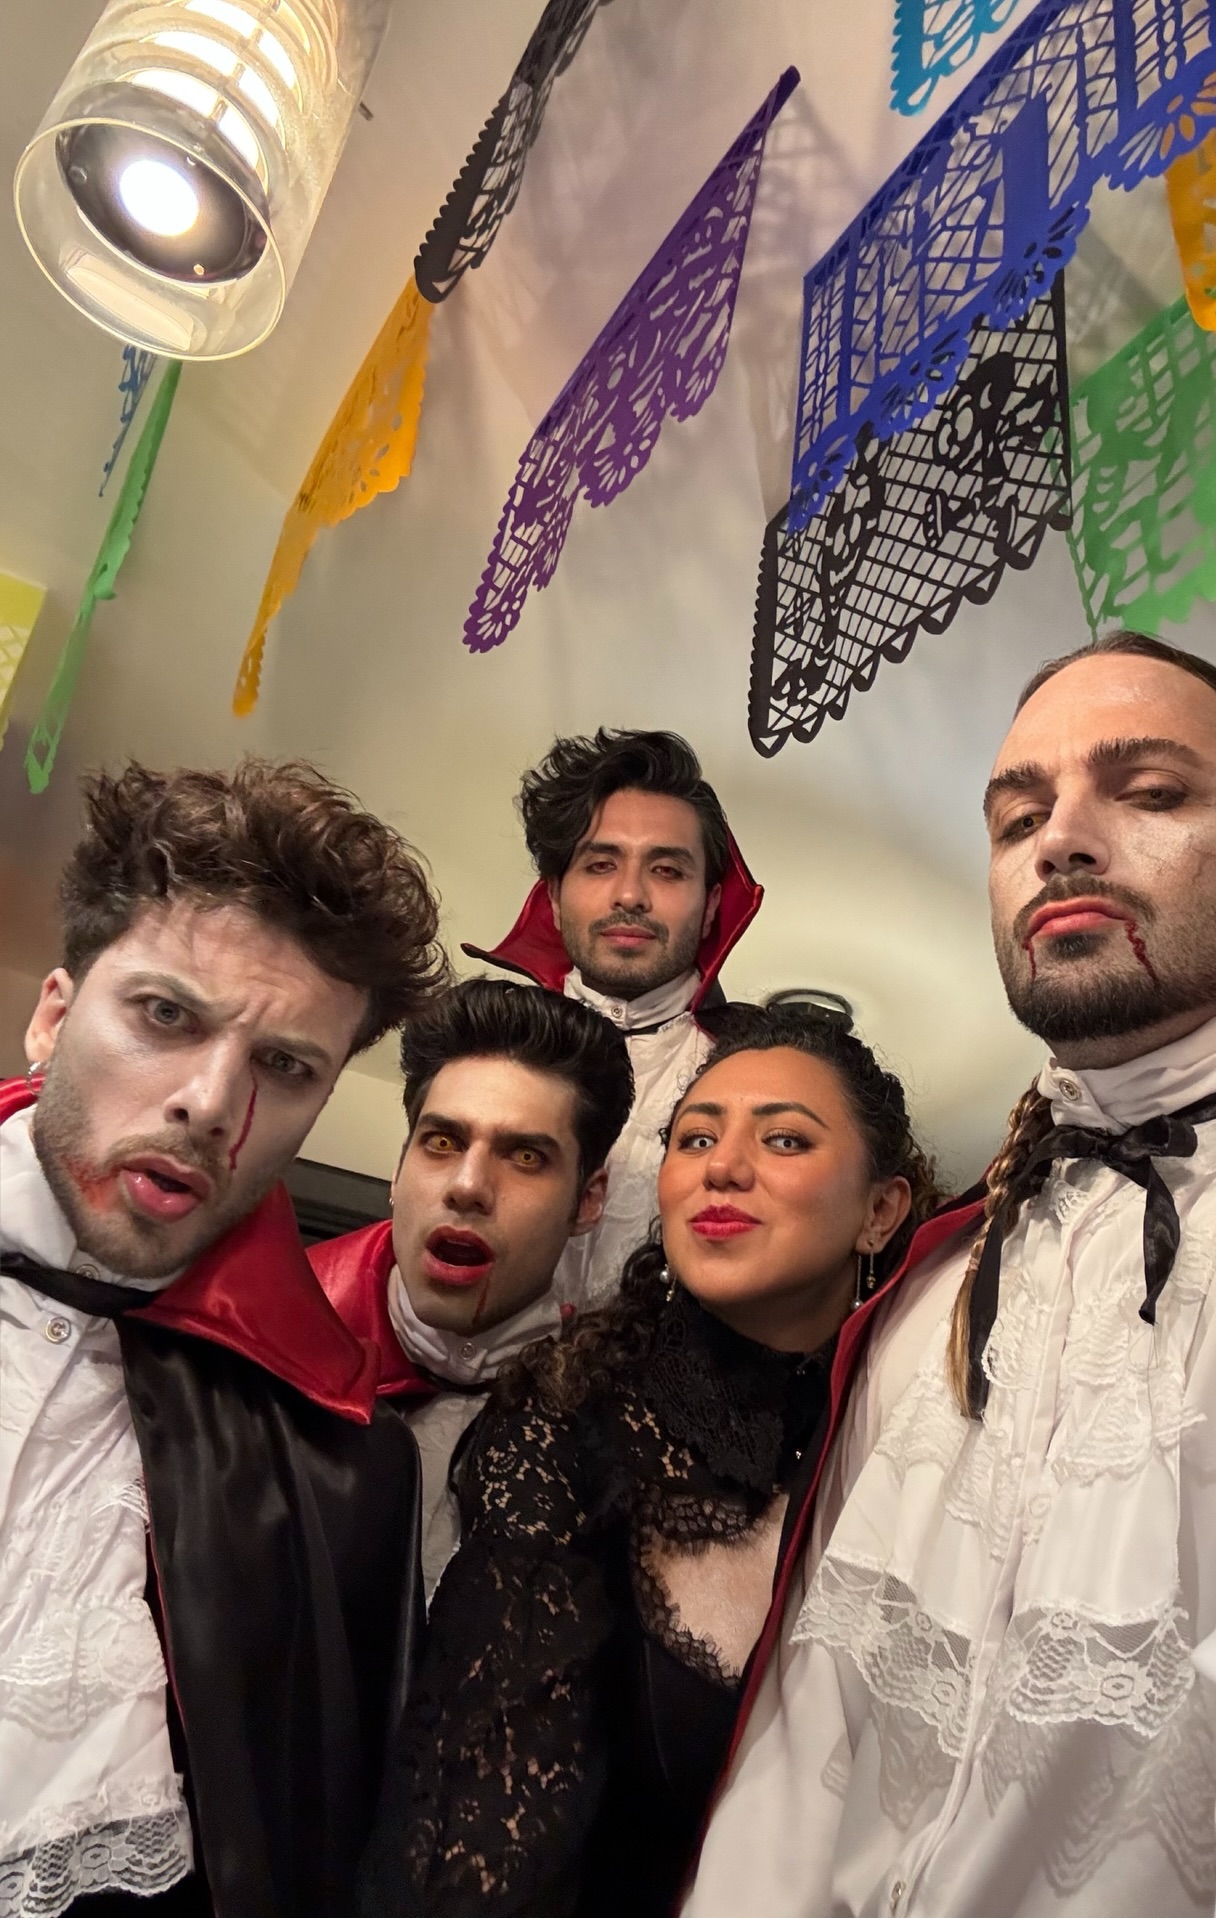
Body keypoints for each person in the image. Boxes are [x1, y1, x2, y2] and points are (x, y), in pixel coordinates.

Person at [685, 631, 1216, 1918]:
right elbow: (802, 1760)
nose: (1063, 842)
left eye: (1151, 793)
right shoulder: (934, 1293)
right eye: (1019, 817)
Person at [357, 1004, 937, 1918]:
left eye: (784, 1140)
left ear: (881, 1211)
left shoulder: (926, 1434)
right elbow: (474, 1856)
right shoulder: (567, 1424)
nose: (722, 1167)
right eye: (695, 1138)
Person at [0, 759, 448, 1918]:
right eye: (165, 1014)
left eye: (283, 1067)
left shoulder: (337, 1468)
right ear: (52, 1015)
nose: (209, 1103)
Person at [311, 979, 635, 1597]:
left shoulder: (619, 1438)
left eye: (526, 1157)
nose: (467, 1186)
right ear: (398, 1169)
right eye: (442, 1142)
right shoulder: (262, 1357)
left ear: (587, 1202)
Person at [462, 729, 762, 1312]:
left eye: (667, 870)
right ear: (553, 898)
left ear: (710, 908)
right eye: (601, 864)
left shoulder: (761, 1073)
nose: (630, 895)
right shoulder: (475, 1052)